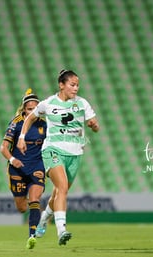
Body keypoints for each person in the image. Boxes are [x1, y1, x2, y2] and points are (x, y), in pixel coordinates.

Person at [17, 70, 100, 246]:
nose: (76, 88)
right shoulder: (48, 103)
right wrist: (22, 137)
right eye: (72, 84)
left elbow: (95, 125)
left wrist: (93, 125)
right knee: (62, 187)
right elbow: (29, 118)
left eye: (77, 85)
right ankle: (61, 230)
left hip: (75, 153)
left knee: (59, 192)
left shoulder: (82, 103)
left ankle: (44, 218)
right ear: (61, 85)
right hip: (52, 150)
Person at [0, 88, 46, 249]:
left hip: (37, 166)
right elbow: (3, 148)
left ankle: (32, 235)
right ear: (24, 109)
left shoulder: (44, 124)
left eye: (35, 108)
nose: (33, 112)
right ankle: (39, 213)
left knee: (35, 199)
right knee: (21, 208)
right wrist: (13, 160)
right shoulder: (16, 123)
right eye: (29, 109)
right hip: (17, 168)